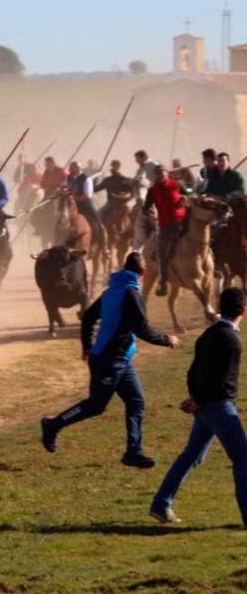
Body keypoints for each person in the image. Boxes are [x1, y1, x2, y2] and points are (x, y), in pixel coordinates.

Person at [39, 251, 180, 468]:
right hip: (109, 359)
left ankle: (133, 451)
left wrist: (86, 346)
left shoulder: (112, 290)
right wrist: (166, 339)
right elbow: (141, 329)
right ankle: (52, 425)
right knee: (95, 405)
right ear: (142, 272)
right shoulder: (132, 294)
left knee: (136, 401)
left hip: (120, 359)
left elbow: (88, 317)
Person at [149, 287, 247, 524]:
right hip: (219, 407)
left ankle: (161, 504)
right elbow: (219, 380)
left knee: (192, 456)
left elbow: (193, 371)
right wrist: (199, 400)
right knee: (243, 459)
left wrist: (195, 398)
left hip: (205, 407)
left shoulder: (208, 334)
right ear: (243, 311)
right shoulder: (232, 341)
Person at [147, 164, 186, 297]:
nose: (160, 175)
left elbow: (190, 192)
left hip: (182, 222)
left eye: (162, 172)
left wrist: (186, 197)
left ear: (166, 173)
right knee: (162, 253)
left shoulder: (177, 185)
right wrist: (148, 211)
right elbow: (146, 206)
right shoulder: (152, 190)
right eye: (157, 173)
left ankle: (213, 266)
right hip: (166, 226)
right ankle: (163, 283)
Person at [64, 160, 106, 247]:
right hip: (70, 205)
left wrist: (74, 198)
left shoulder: (86, 179)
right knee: (59, 221)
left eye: (71, 168)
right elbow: (63, 187)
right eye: (70, 168)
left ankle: (103, 246)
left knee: (98, 223)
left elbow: (88, 195)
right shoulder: (68, 178)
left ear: (77, 169)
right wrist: (62, 191)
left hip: (84, 205)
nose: (70, 170)